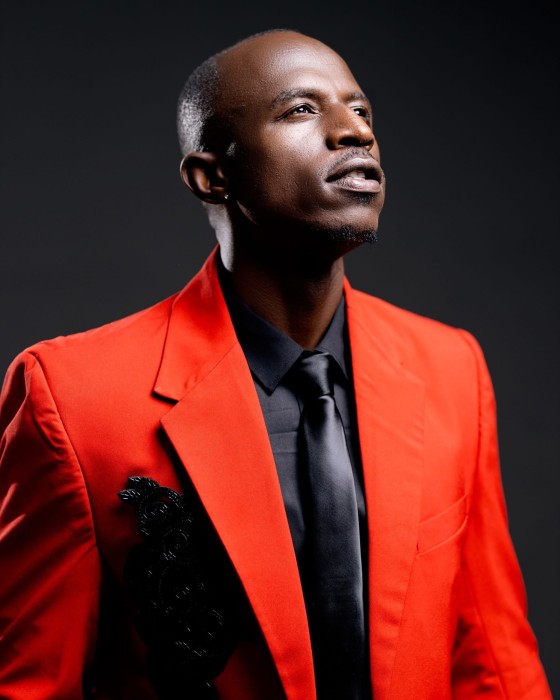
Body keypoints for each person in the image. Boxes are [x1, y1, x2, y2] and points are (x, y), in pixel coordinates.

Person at [0, 29, 551, 700]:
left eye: (361, 110)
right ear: (212, 177)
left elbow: (493, 659)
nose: (354, 131)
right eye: (301, 109)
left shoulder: (451, 368)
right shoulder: (70, 395)